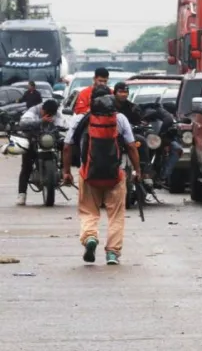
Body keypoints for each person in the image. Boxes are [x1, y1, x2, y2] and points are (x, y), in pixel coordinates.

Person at [62, 85, 142, 266]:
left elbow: (67, 146)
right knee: (116, 215)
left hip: (88, 174)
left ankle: (90, 238)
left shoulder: (80, 119)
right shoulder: (120, 118)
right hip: (115, 176)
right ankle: (112, 253)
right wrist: (137, 170)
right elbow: (131, 146)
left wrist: (66, 172)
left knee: (88, 211)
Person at [15, 99, 66, 206]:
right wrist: (40, 121)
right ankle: (22, 193)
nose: (49, 115)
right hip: (34, 139)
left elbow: (63, 124)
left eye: (51, 114)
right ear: (42, 109)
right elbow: (23, 122)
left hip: (50, 140)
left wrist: (62, 127)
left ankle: (65, 171)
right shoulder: (34, 110)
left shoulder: (56, 114)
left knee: (66, 145)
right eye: (46, 113)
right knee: (26, 165)